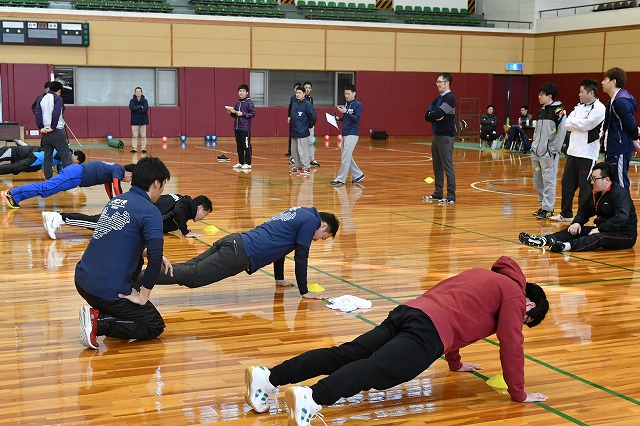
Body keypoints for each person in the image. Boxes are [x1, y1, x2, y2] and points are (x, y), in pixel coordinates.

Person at [244, 256, 549, 425]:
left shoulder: (484, 275)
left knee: (346, 354)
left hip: (409, 312)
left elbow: (461, 314)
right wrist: (518, 393)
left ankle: (269, 377)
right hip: (429, 332)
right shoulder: (514, 295)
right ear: (530, 305)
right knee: (378, 370)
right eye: (526, 320)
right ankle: (312, 398)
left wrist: (455, 363)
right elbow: (512, 343)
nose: (520, 322)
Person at [75, 156, 172, 349]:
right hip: (104, 290)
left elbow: (119, 238)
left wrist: (150, 253)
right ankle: (98, 322)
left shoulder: (117, 200)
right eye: (163, 186)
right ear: (156, 183)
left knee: (137, 262)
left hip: (82, 280)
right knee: (153, 325)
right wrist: (143, 296)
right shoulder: (150, 211)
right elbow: (154, 260)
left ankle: (108, 312)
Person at [137, 207, 339, 299]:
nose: (317, 240)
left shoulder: (300, 212)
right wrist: (304, 291)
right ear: (322, 225)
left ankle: (137, 274)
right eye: (323, 236)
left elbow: (282, 247)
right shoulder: (310, 221)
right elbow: (301, 256)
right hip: (240, 253)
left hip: (234, 240)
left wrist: (279, 279)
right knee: (193, 276)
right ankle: (140, 278)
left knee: (191, 267)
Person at [519, 162, 637, 253]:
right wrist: (577, 222)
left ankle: (565, 246)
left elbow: (622, 217)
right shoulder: (596, 193)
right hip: (604, 228)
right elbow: (585, 210)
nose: (592, 182)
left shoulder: (620, 194)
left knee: (599, 237)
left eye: (595, 179)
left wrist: (601, 229)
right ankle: (544, 240)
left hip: (624, 235)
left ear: (607, 179)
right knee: (574, 230)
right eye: (592, 178)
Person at [42, 194, 212, 240]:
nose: (204, 218)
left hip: (134, 208)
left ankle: (56, 217)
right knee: (100, 224)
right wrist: (186, 232)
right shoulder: (186, 203)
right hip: (134, 217)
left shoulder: (180, 198)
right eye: (205, 214)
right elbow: (177, 212)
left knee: (97, 221)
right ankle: (59, 218)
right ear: (200, 207)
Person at [551, 79, 605, 222]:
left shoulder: (599, 108)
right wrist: (578, 124)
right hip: (572, 152)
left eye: (582, 91)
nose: (579, 94)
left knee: (585, 187)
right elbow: (566, 123)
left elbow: (587, 125)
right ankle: (566, 213)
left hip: (587, 154)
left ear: (591, 92)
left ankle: (582, 216)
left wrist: (577, 124)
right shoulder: (579, 107)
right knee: (567, 184)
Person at [1, 161, 135, 209]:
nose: (129, 181)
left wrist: (113, 200)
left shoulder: (115, 168)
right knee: (46, 188)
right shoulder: (119, 170)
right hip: (76, 174)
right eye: (131, 177)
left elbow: (109, 185)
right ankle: (11, 194)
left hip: (75, 173)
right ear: (129, 172)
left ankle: (14, 195)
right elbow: (117, 187)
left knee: (47, 189)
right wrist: (121, 203)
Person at [600, 67, 640, 190]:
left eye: (605, 79)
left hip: (620, 149)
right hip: (611, 149)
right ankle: (615, 209)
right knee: (612, 183)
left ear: (613, 82)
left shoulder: (621, 102)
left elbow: (631, 124)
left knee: (620, 184)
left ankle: (625, 209)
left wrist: (634, 139)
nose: (602, 82)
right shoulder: (611, 101)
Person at [530, 82, 566, 219]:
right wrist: (534, 147)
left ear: (549, 96)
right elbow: (538, 132)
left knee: (549, 180)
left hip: (548, 155)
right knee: (538, 180)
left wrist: (552, 150)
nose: (539, 96)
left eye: (542, 94)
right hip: (536, 153)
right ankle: (542, 205)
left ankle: (548, 208)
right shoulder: (542, 110)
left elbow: (561, 132)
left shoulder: (559, 111)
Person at [423, 73, 457, 204]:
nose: (437, 84)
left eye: (440, 82)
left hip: (446, 137)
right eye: (436, 82)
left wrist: (435, 114)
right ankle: (437, 193)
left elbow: (440, 113)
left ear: (447, 83)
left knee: (447, 166)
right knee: (437, 166)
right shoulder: (437, 99)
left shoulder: (450, 98)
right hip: (436, 136)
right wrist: (434, 115)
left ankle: (451, 196)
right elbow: (427, 115)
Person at [35, 80, 73, 180]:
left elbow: (37, 114)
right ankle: (69, 179)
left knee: (48, 157)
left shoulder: (41, 99)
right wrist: (52, 126)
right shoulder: (58, 99)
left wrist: (41, 127)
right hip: (56, 131)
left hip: (45, 133)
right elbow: (56, 113)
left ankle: (48, 180)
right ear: (59, 90)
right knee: (65, 156)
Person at [331, 84, 364, 185]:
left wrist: (346, 112)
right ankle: (358, 175)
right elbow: (347, 119)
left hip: (352, 134)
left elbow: (356, 119)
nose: (346, 95)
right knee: (346, 156)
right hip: (345, 133)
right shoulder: (347, 105)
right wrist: (339, 119)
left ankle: (341, 179)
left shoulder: (358, 105)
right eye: (345, 94)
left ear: (354, 93)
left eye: (348, 94)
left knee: (345, 157)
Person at [0, 145, 85, 175]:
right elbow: (57, 156)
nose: (76, 164)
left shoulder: (66, 155)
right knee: (15, 167)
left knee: (16, 168)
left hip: (38, 164)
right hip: (37, 160)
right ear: (77, 159)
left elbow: (60, 168)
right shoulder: (66, 153)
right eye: (78, 163)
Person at [226, 84, 255, 170]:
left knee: (246, 145)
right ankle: (241, 162)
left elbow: (252, 114)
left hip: (245, 128)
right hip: (237, 128)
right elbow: (235, 115)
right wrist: (231, 113)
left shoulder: (249, 103)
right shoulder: (237, 103)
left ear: (247, 92)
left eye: (243, 91)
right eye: (240, 91)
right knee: (239, 146)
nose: (241, 93)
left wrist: (243, 114)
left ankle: (248, 163)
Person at [289, 87, 317, 176]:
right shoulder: (294, 104)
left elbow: (313, 117)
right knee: (295, 151)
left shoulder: (307, 104)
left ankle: (306, 167)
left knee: (303, 151)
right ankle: (298, 166)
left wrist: (308, 126)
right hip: (294, 131)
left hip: (302, 132)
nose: (297, 94)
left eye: (300, 93)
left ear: (304, 94)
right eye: (296, 93)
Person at [303, 81, 320, 167]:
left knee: (310, 142)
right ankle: (298, 159)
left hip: (310, 124)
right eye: (306, 88)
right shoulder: (298, 98)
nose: (307, 89)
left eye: (309, 88)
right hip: (302, 125)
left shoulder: (310, 99)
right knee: (301, 143)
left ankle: (312, 159)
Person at [129, 87, 149, 153]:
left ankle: (143, 148)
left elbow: (145, 109)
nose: (138, 93)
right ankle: (134, 148)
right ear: (135, 93)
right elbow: (132, 108)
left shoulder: (145, 100)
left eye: (139, 91)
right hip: (134, 121)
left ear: (141, 92)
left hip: (143, 121)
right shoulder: (132, 100)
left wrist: (137, 109)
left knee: (143, 136)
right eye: (137, 91)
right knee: (135, 136)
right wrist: (140, 107)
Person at [286, 82, 303, 158]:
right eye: (296, 90)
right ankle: (290, 151)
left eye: (299, 91)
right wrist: (289, 116)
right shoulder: (292, 98)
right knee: (292, 136)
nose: (297, 93)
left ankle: (299, 154)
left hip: (300, 121)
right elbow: (290, 107)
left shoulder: (304, 101)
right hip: (293, 119)